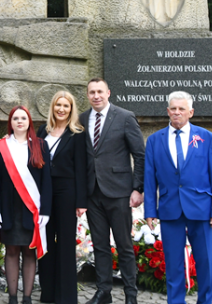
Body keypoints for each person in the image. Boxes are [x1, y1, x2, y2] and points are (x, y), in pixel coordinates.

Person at [144, 92, 212, 304]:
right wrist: (150, 210)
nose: (177, 112)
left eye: (181, 109)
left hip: (201, 209)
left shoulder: (207, 138)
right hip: (170, 209)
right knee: (173, 263)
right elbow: (150, 179)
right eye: (173, 108)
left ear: (191, 112)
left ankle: (205, 301)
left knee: (205, 261)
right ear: (168, 111)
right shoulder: (154, 140)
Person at [78, 78, 145, 304]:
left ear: (108, 92)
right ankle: (103, 292)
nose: (96, 96)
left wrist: (138, 188)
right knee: (100, 246)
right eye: (92, 92)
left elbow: (140, 155)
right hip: (93, 193)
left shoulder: (125, 117)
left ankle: (130, 294)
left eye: (100, 91)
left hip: (119, 193)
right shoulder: (82, 119)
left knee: (124, 245)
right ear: (87, 95)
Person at [0, 106, 52, 304]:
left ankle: (26, 297)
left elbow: (46, 182)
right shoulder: (1, 146)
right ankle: (13, 297)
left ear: (29, 122)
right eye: (15, 118)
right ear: (10, 122)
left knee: (28, 251)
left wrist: (45, 211)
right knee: (11, 251)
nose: (19, 121)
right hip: (9, 207)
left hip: (31, 208)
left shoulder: (40, 146)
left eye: (23, 118)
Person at [37, 91, 90, 304]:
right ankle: (48, 293)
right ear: (53, 107)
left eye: (66, 106)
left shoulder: (77, 133)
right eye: (58, 105)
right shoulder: (43, 130)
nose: (61, 109)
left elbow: (81, 169)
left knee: (66, 243)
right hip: (44, 193)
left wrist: (81, 202)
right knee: (46, 242)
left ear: (71, 109)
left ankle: (66, 296)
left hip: (67, 192)